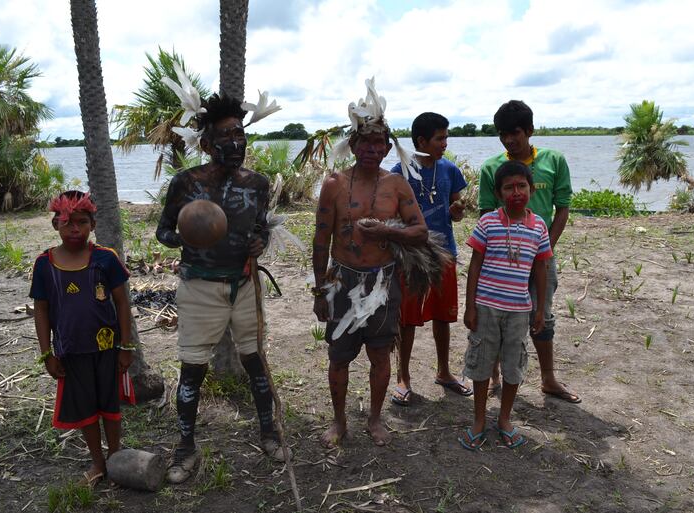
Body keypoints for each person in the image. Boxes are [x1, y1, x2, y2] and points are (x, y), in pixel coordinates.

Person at [156, 93, 286, 484]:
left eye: (241, 133)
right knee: (192, 369)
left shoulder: (258, 184)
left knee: (255, 361)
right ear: (208, 144)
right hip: (199, 288)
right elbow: (163, 229)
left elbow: (261, 226)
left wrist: (259, 242)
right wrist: (185, 238)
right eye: (226, 135)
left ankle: (269, 432)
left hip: (244, 285)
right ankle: (185, 448)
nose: (237, 142)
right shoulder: (186, 183)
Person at [312, 79, 428, 447]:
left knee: (380, 355)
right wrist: (320, 291)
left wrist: (385, 231)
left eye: (380, 143)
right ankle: (339, 421)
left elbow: (420, 232)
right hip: (342, 281)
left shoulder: (397, 185)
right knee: (339, 357)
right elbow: (320, 240)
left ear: (387, 146)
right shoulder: (334, 184)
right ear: (354, 144)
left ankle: (376, 420)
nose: (373, 149)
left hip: (383, 282)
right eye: (367, 142)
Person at [478, 100, 580, 403]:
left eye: (516, 133)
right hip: (500, 262)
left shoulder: (554, 161)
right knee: (495, 316)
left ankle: (548, 379)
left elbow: (562, 209)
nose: (509, 140)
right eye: (503, 134)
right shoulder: (490, 168)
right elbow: (486, 214)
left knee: (542, 316)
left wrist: (543, 248)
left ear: (530, 131)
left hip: (541, 259)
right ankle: (495, 377)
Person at [31, 190, 135, 487]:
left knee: (110, 406)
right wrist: (46, 353)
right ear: (55, 225)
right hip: (71, 352)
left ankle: (115, 457)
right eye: (67, 223)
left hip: (108, 350)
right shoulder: (44, 264)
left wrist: (126, 346)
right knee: (86, 409)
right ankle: (98, 462)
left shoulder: (105, 259)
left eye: (82, 222)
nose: (75, 229)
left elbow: (122, 303)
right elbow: (41, 309)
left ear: (92, 224)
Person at [461, 161, 551, 449]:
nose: (516, 192)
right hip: (486, 307)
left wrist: (538, 309)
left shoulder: (538, 226)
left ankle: (504, 418)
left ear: (531, 189)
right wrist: (470, 305)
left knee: (513, 366)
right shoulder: (488, 222)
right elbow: (474, 266)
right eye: (509, 187)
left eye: (521, 186)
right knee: (481, 363)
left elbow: (540, 269)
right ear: (499, 193)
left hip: (519, 310)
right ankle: (478, 420)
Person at [389, 112, 471, 406]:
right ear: (421, 141)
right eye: (440, 138)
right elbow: (391, 214)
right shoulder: (398, 173)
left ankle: (444, 372)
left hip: (445, 251)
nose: (445, 143)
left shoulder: (449, 170)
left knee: (443, 315)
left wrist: (457, 212)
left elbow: (456, 208)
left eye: (446, 137)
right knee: (407, 319)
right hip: (411, 257)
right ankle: (403, 377)